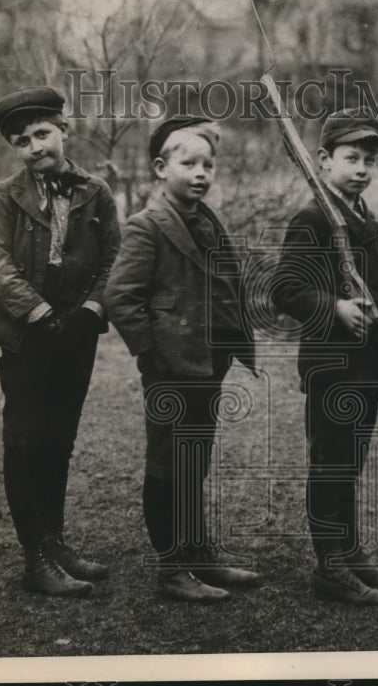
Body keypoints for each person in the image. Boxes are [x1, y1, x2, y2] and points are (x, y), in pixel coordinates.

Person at [0, 86, 121, 597]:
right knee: (26, 441)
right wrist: (40, 314)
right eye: (22, 140)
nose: (34, 147)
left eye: (42, 133)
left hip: (75, 336)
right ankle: (34, 557)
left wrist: (89, 311)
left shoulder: (96, 192)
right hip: (26, 337)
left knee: (59, 439)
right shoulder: (6, 195)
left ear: (64, 130)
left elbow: (112, 262)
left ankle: (55, 543)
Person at [104, 116, 259, 602]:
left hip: (206, 364)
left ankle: (198, 555)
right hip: (170, 370)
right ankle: (171, 569)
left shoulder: (207, 220)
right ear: (159, 168)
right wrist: (153, 354)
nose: (200, 173)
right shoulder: (147, 226)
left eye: (208, 164)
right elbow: (120, 297)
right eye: (188, 163)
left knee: (194, 461)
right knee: (168, 463)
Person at [272, 108, 378, 606]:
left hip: (367, 364)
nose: (362, 169)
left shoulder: (358, 215)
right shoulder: (312, 219)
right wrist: (333, 307)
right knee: (330, 463)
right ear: (324, 160)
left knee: (350, 463)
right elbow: (285, 289)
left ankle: (352, 555)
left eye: (369, 160)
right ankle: (329, 567)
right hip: (333, 367)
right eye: (351, 158)